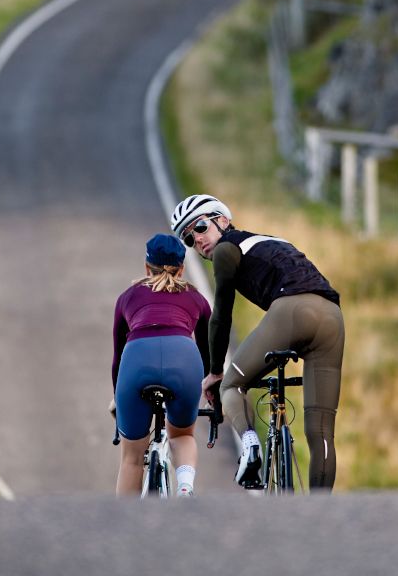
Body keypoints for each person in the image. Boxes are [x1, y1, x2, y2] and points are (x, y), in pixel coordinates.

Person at [170, 194, 345, 491]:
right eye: (188, 239)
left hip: (291, 311)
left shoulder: (227, 249)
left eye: (200, 227)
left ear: (222, 220)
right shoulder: (272, 241)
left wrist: (214, 371)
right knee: (321, 432)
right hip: (332, 318)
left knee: (231, 386)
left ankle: (251, 445)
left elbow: (221, 314)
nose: (197, 240)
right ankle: (321, 514)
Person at [111, 233, 213, 496]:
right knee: (181, 435)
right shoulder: (197, 298)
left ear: (147, 267)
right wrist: (212, 393)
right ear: (182, 269)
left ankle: (125, 527)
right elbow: (208, 353)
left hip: (136, 362)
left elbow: (118, 356)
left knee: (131, 457)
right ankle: (185, 486)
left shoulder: (127, 297)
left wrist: (117, 398)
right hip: (184, 361)